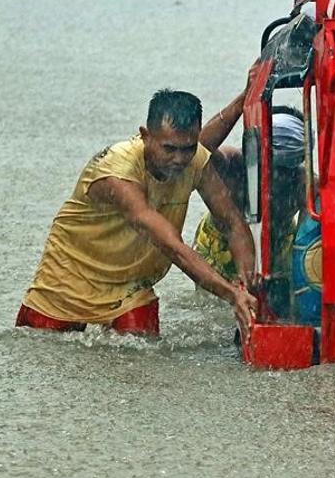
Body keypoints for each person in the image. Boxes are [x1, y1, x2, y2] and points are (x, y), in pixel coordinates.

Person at [16, 90, 258, 337]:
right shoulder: (118, 172)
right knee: (41, 351)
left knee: (144, 356)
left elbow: (233, 223)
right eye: (169, 149)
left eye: (188, 148)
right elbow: (172, 246)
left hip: (130, 289)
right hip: (68, 279)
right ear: (145, 136)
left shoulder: (196, 162)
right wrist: (231, 294)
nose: (179, 159)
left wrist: (245, 283)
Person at [192, 90, 306, 290]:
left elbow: (308, 241)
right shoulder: (234, 164)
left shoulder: (303, 183)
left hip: (276, 250)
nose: (275, 178)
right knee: (213, 309)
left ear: (296, 163)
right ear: (255, 155)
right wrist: (244, 98)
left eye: (284, 170)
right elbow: (198, 150)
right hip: (219, 247)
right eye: (269, 167)